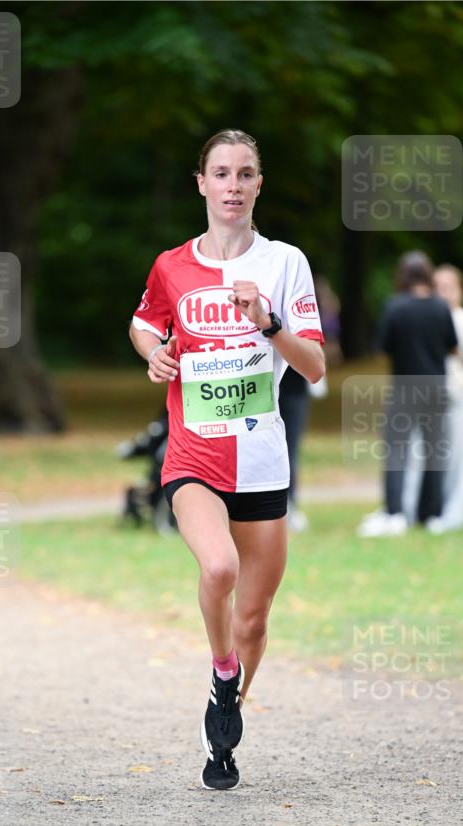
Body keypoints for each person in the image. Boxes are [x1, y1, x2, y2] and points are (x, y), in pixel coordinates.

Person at [129, 129, 325, 789]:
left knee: (255, 616)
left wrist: (269, 323)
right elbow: (144, 320)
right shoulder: (170, 265)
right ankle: (222, 672)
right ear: (202, 184)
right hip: (192, 454)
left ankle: (223, 736)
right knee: (219, 568)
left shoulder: (285, 263)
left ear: (257, 185)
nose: (233, 185)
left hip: (262, 461)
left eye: (245, 174)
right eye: (221, 173)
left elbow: (316, 367)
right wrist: (152, 351)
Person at [358, 251, 457, 538]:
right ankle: (432, 514)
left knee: (396, 451)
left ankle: (395, 512)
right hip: (437, 387)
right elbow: (452, 346)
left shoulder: (395, 307)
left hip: (404, 387)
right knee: (435, 451)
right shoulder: (441, 307)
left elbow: (381, 348)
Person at [402, 264, 463, 531]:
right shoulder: (429, 318)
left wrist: (454, 383)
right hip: (430, 403)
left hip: (457, 403)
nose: (442, 293)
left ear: (460, 291)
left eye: (448, 288)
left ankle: (452, 515)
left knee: (457, 462)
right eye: (438, 287)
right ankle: (417, 510)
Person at [278, 275, 339, 533]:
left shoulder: (309, 315)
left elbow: (325, 352)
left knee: (289, 449)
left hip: (294, 391)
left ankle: (289, 504)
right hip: (269, 390)